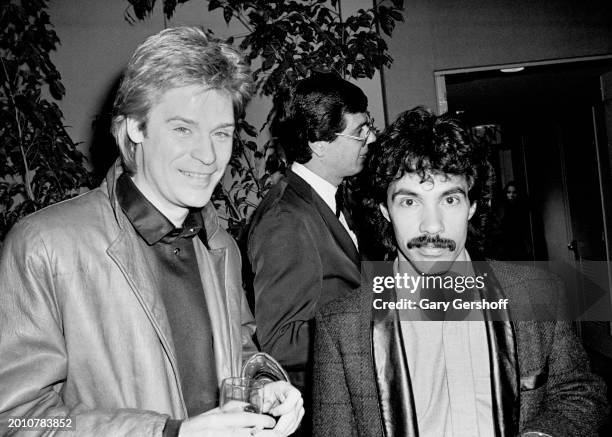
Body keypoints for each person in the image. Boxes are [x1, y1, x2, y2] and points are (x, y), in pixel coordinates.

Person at [0, 27, 303, 437]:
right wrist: (167, 433)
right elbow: (16, 418)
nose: (209, 155)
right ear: (135, 129)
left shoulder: (220, 245)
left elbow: (240, 353)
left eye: (222, 133)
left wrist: (264, 388)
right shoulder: (44, 246)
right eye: (183, 129)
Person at [312, 107, 607, 437]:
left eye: (449, 199)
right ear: (385, 209)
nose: (432, 225)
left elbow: (579, 395)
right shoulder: (340, 326)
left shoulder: (539, 293)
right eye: (410, 202)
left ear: (472, 205)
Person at [247, 73, 375, 392]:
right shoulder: (285, 218)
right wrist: (376, 326)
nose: (371, 138)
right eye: (360, 131)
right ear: (319, 144)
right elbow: (279, 340)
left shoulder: (334, 195)